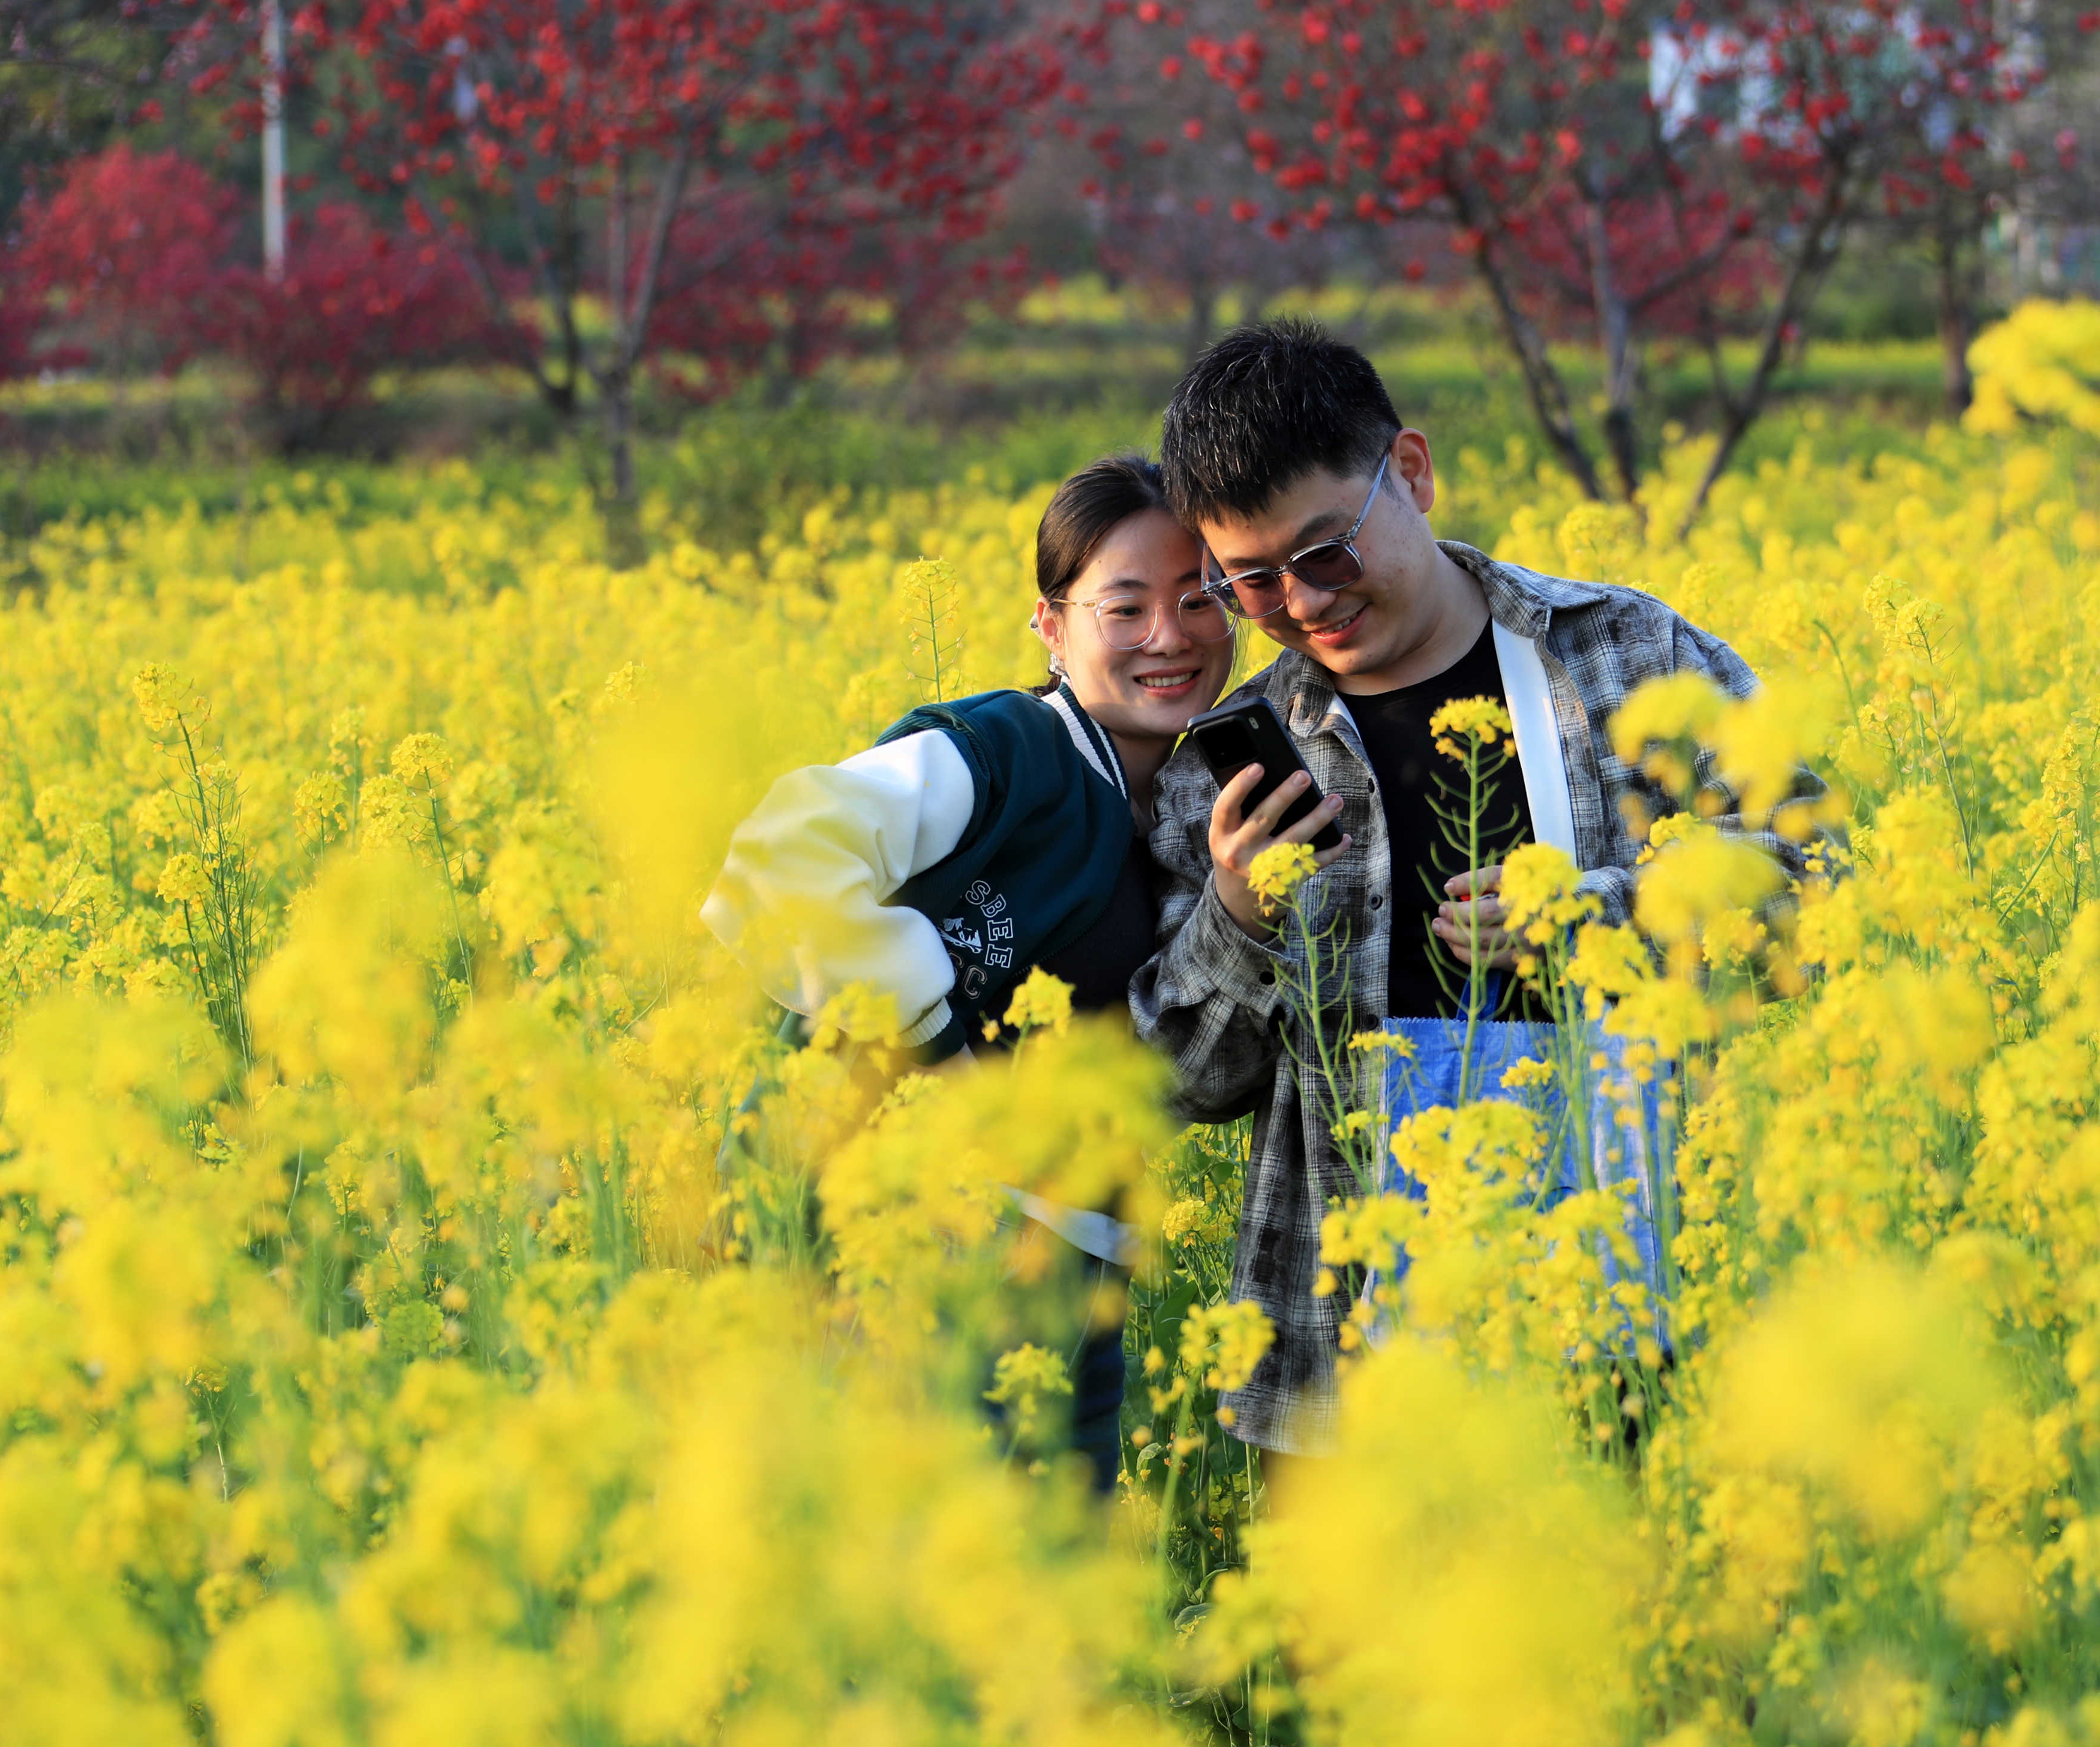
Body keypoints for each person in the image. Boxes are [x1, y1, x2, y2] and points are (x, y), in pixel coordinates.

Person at [1132, 320, 1832, 1458]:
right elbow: (1184, 1083)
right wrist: (1238, 917)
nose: (1302, 603)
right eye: (1249, 583)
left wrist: (1603, 914)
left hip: (1644, 1311)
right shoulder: (1236, 764)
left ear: (1410, 473)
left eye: (1325, 553)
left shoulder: (1627, 655)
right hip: (1350, 1363)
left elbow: (1821, 872)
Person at [701, 454, 1237, 1490]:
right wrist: (936, 1048)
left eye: (1199, 597)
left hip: (1071, 1258)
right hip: (904, 1247)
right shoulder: (1009, 749)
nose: (1170, 636)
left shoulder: (1194, 801)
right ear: (1051, 627)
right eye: (1125, 608)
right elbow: (783, 855)